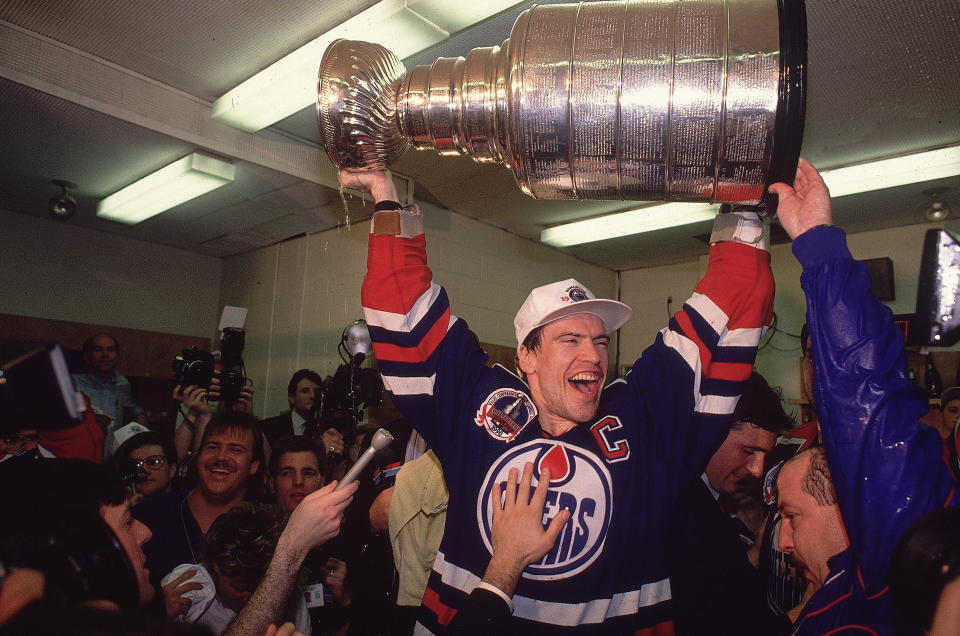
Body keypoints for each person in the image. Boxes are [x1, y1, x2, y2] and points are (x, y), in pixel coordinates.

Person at [345, 167, 774, 632]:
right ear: (526, 357)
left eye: (600, 340)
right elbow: (404, 309)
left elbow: (722, 318)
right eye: (570, 340)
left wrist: (746, 202)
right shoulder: (479, 408)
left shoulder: (642, 421)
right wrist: (386, 196)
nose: (593, 355)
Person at [770, 158, 958, 634]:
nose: (783, 541)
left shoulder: (904, 565)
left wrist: (818, 245)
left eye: (792, 517)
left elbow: (866, 408)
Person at [669, 371, 793, 635]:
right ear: (712, 433)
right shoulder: (682, 510)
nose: (757, 470)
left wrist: (755, 554)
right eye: (749, 451)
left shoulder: (705, 500)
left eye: (765, 456)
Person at [133, 411, 266, 593]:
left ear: (253, 465)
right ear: (198, 457)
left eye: (235, 450)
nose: (221, 457)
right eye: (212, 447)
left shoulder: (264, 528)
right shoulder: (148, 516)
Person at [223, 481, 358, 636]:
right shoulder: (203, 602)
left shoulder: (295, 602)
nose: (248, 597)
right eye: (240, 587)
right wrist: (293, 547)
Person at [71, 333, 147, 459]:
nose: (105, 354)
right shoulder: (72, 383)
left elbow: (135, 411)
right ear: (86, 357)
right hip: (78, 458)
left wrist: (140, 433)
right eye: (98, 350)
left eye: (111, 350)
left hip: (110, 461)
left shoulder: (122, 384)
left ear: (117, 356)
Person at [260, 369, 344, 460]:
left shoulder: (325, 429)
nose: (312, 396)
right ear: (291, 398)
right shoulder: (269, 427)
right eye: (305, 391)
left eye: (316, 391)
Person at [114, 430, 178, 499]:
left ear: (172, 470)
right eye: (137, 464)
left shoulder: (184, 502)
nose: (145, 470)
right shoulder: (123, 505)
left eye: (153, 462)